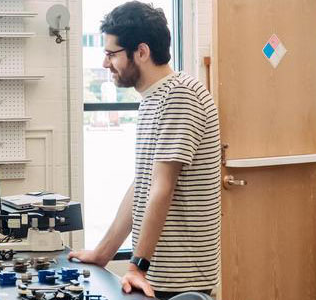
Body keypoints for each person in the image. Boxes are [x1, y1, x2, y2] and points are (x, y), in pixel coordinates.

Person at [67, 2, 222, 299]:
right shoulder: (153, 99)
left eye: (111, 53)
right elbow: (144, 184)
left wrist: (137, 266)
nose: (104, 63)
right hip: (159, 274)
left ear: (141, 52)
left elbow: (162, 189)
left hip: (181, 279)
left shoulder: (181, 96)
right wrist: (103, 253)